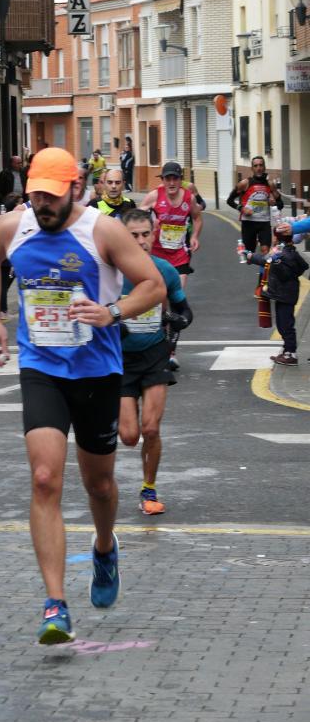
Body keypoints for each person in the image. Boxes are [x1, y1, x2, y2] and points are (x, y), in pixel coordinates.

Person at [0, 148, 165, 645]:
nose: (42, 204)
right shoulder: (13, 226)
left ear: (76, 189)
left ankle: (105, 547)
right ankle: (55, 604)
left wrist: (114, 312)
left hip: (98, 371)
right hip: (42, 368)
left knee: (99, 485)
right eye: (36, 194)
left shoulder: (103, 231)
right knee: (43, 479)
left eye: (51, 196)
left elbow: (153, 284)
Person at [119, 210, 193, 514]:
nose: (141, 241)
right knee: (129, 436)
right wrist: (113, 323)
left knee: (150, 429)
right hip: (120, 359)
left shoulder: (165, 270)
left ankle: (149, 490)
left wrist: (174, 319)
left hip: (154, 355)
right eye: (133, 235)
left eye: (145, 234)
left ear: (154, 233)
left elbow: (185, 312)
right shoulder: (109, 272)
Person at [139, 161, 202, 370]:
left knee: (176, 299)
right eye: (168, 178)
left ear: (180, 179)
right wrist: (149, 224)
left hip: (179, 256)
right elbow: (138, 218)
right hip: (157, 256)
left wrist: (194, 236)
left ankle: (171, 352)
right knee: (160, 301)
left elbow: (197, 217)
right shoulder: (154, 196)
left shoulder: (188, 198)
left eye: (175, 178)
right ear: (163, 180)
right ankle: (158, 345)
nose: (171, 182)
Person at [246, 230, 308, 365]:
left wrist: (252, 257)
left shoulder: (283, 255)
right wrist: (253, 257)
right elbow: (301, 266)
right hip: (284, 294)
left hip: (285, 294)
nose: (272, 238)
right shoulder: (288, 252)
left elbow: (272, 265)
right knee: (282, 324)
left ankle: (291, 354)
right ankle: (287, 349)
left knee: (286, 325)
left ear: (278, 238)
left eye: (274, 235)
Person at [227, 156, 282, 255]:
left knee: (266, 251)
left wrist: (274, 203)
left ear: (264, 167)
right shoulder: (244, 183)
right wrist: (242, 208)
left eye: (261, 165)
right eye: (255, 166)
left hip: (264, 222)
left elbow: (280, 204)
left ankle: (264, 271)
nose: (259, 168)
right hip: (249, 222)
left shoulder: (270, 185)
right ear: (252, 168)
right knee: (249, 254)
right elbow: (229, 201)